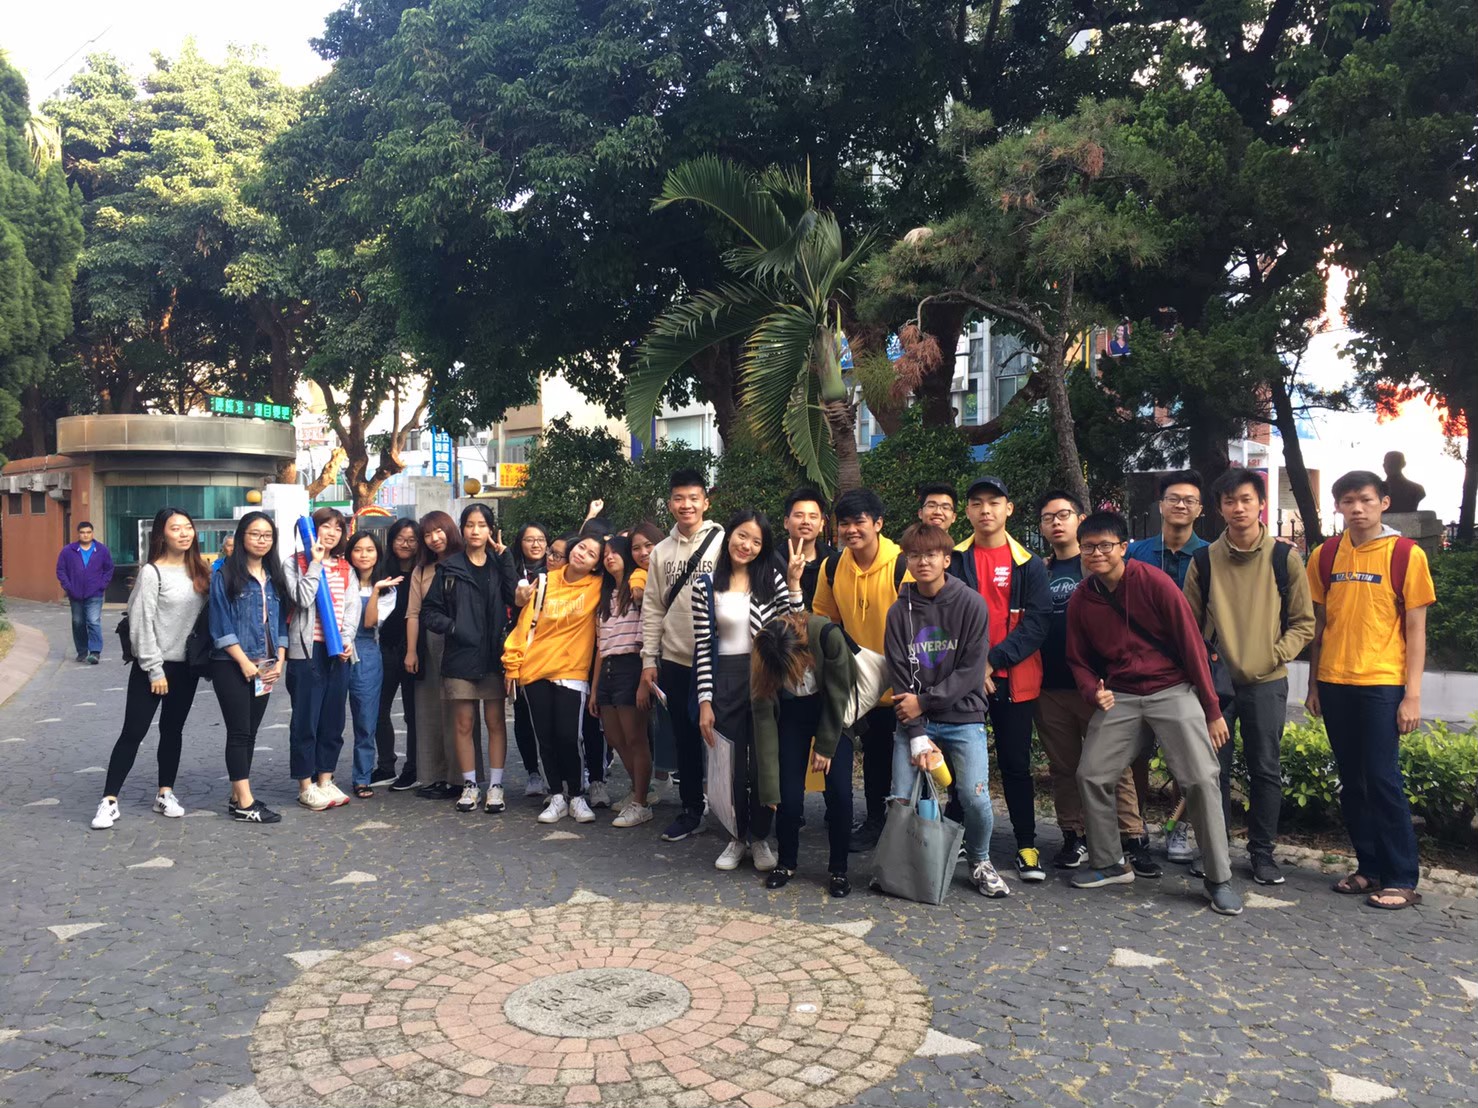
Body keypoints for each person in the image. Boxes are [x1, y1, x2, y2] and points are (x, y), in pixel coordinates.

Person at [1065, 511, 1243, 916]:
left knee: (1201, 778)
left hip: (1172, 688)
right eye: (1088, 547)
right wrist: (1092, 690)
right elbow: (1077, 658)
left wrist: (1211, 709)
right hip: (1122, 694)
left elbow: (1192, 646)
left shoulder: (1153, 582)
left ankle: (1219, 878)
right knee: (1091, 774)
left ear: (1123, 547)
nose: (1096, 553)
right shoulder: (1082, 598)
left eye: (1105, 545)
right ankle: (1110, 862)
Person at [1306, 471, 1435, 911]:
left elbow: (1416, 630)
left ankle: (1402, 877)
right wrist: (1313, 684)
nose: (1357, 508)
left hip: (1382, 682)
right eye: (1347, 501)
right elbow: (1319, 626)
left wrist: (1412, 695)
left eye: (1365, 499)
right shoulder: (1324, 555)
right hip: (1334, 682)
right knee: (1352, 781)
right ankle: (1370, 867)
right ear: (1337, 506)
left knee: (1382, 779)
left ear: (1384, 502)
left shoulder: (1405, 554)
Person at [1183, 468, 1315, 885]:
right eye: (1229, 501)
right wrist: (1203, 667)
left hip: (1267, 682)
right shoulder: (1204, 560)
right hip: (1216, 685)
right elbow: (1189, 627)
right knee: (1212, 771)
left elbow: (1303, 624)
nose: (1238, 508)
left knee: (1265, 769)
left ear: (1260, 504)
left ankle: (1262, 854)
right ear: (1219, 508)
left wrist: (1272, 655)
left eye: (1246, 500)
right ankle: (1216, 852)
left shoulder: (1283, 558)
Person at [886, 523, 1008, 897]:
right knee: (901, 799)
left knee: (974, 797)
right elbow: (899, 676)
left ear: (946, 559)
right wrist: (917, 732)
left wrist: (924, 701)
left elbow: (971, 671)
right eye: (914, 555)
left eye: (931, 554)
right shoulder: (899, 612)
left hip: (963, 716)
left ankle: (980, 861)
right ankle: (905, 868)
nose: (922, 562)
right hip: (914, 723)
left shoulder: (971, 603)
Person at [1032, 491, 1150, 873]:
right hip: (1050, 686)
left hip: (1101, 687)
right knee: (1063, 767)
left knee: (1116, 766)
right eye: (1048, 517)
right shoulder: (1038, 570)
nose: (1056, 522)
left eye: (1063, 514)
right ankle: (1074, 835)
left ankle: (1133, 837)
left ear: (1080, 519)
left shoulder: (1100, 565)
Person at [948, 476, 1052, 882]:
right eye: (977, 503)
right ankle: (957, 836)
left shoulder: (1029, 564)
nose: (985, 510)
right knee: (959, 764)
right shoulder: (955, 559)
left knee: (1015, 764)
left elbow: (1037, 623)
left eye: (994, 502)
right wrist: (976, 668)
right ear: (967, 511)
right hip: (964, 678)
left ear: (1009, 509)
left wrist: (992, 662)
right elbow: (945, 618)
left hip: (1014, 679)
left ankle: (1026, 844)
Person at [692, 511, 801, 872]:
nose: (747, 546)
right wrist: (705, 700)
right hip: (724, 679)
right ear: (730, 536)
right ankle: (737, 837)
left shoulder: (770, 580)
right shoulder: (706, 585)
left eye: (756, 541)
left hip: (765, 678)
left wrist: (794, 583)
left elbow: (797, 626)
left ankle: (760, 837)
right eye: (742, 536)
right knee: (731, 766)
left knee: (763, 765)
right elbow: (704, 647)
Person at [91, 508, 210, 830]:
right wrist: (154, 669)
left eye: (188, 527)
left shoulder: (200, 570)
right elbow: (140, 623)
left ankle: (164, 793)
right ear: (162, 534)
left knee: (172, 731)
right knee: (133, 732)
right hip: (152, 667)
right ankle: (109, 800)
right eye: (176, 528)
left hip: (185, 667)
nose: (184, 533)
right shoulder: (152, 572)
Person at [812, 488, 910, 852]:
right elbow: (823, 619)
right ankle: (874, 822)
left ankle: (909, 830)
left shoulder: (902, 565)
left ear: (878, 524)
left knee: (907, 759)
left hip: (903, 683)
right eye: (844, 523)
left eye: (859, 522)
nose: (851, 530)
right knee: (873, 755)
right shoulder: (833, 566)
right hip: (860, 683)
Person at [752, 610, 872, 898]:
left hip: (832, 709)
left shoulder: (828, 636)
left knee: (839, 792)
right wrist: (769, 788)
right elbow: (763, 717)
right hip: (792, 713)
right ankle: (786, 863)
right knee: (788, 793)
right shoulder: (766, 647)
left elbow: (840, 694)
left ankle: (838, 869)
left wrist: (826, 746)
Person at [640, 470, 726, 843]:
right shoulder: (661, 552)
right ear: (670, 504)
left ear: (706, 502)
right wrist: (649, 660)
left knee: (725, 739)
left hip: (720, 660)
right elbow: (652, 608)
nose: (686, 505)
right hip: (676, 659)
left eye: (693, 498)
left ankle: (734, 812)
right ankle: (692, 810)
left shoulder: (724, 543)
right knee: (686, 739)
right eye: (679, 498)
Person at [503, 533, 605, 823]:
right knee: (545, 737)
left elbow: (629, 570)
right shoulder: (545, 581)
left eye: (592, 554)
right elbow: (523, 626)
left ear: (597, 565)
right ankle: (556, 795)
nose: (583, 553)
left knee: (569, 736)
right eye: (581, 547)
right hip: (534, 669)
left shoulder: (598, 586)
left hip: (572, 670)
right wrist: (512, 666)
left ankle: (577, 795)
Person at [421, 503, 515, 814]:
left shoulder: (498, 565)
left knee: (496, 722)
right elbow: (429, 612)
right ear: (462, 529)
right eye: (470, 525)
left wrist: (506, 558)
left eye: (482, 525)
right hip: (460, 656)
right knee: (463, 723)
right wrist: (454, 627)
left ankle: (496, 786)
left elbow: (516, 597)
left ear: (491, 530)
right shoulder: (449, 568)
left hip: (494, 655)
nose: (475, 531)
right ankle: (470, 785)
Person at [207, 511, 290, 824]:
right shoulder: (225, 575)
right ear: (242, 537)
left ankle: (236, 796)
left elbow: (280, 623)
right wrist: (244, 662)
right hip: (231, 664)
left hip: (265, 664)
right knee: (239, 731)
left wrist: (279, 659)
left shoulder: (274, 577)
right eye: (255, 534)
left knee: (251, 731)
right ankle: (245, 802)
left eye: (267, 535)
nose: (261, 540)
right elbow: (220, 625)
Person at [286, 507, 361, 812]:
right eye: (325, 526)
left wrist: (346, 639)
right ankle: (306, 786)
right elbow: (302, 598)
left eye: (338, 528)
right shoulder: (295, 563)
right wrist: (315, 564)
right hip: (307, 652)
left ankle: (325, 780)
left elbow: (352, 609)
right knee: (306, 720)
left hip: (338, 653)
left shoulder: (345, 567)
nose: (331, 533)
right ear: (312, 530)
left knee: (333, 719)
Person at [590, 535, 653, 827]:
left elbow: (648, 637)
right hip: (608, 667)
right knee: (614, 737)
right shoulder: (605, 596)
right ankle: (638, 789)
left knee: (635, 737)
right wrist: (594, 690)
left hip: (632, 664)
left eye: (615, 552)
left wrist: (644, 681)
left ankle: (641, 802)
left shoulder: (638, 589)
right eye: (605, 553)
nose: (609, 557)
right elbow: (600, 646)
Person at [405, 511, 462, 801]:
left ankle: (462, 777)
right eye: (427, 534)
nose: (434, 538)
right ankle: (434, 776)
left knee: (459, 712)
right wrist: (411, 651)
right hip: (429, 643)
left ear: (449, 530)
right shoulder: (422, 570)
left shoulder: (465, 562)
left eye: (439, 531)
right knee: (429, 711)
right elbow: (413, 613)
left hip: (461, 642)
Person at [345, 531, 403, 799]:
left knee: (366, 718)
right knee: (329, 719)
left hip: (367, 652)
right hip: (337, 649)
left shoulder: (388, 588)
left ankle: (362, 777)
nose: (364, 555)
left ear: (378, 554)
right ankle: (322, 775)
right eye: (358, 549)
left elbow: (370, 623)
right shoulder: (340, 579)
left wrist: (376, 591)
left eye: (369, 550)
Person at [503, 521, 551, 796]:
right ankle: (533, 772)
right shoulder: (510, 570)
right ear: (519, 543)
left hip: (549, 649)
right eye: (529, 539)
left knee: (551, 713)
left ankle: (556, 772)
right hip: (518, 649)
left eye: (541, 539)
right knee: (522, 712)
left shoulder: (556, 570)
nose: (536, 544)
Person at [376, 519, 422, 791]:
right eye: (400, 538)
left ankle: (413, 768)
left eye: (412, 539)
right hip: (384, 649)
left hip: (416, 652)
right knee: (378, 709)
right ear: (391, 540)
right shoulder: (381, 572)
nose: (406, 544)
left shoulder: (424, 571)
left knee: (413, 714)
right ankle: (385, 765)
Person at [1126, 471, 1208, 588]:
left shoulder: (1210, 555)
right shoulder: (1133, 553)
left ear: (1199, 510)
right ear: (1161, 506)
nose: (1180, 506)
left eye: (1189, 501)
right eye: (1173, 499)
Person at [56, 520, 114, 664]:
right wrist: (68, 586)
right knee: (78, 622)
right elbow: (61, 570)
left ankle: (95, 652)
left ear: (92, 533)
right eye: (82, 532)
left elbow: (109, 569)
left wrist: (102, 585)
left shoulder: (101, 550)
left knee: (93, 621)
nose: (85, 535)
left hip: (95, 593)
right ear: (78, 534)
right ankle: (82, 651)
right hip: (75, 593)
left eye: (88, 532)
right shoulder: (68, 551)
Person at [781, 488, 833, 609]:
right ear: (786, 522)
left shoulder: (833, 562)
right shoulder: (772, 562)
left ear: (821, 524)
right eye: (799, 515)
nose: (806, 521)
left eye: (813, 517)